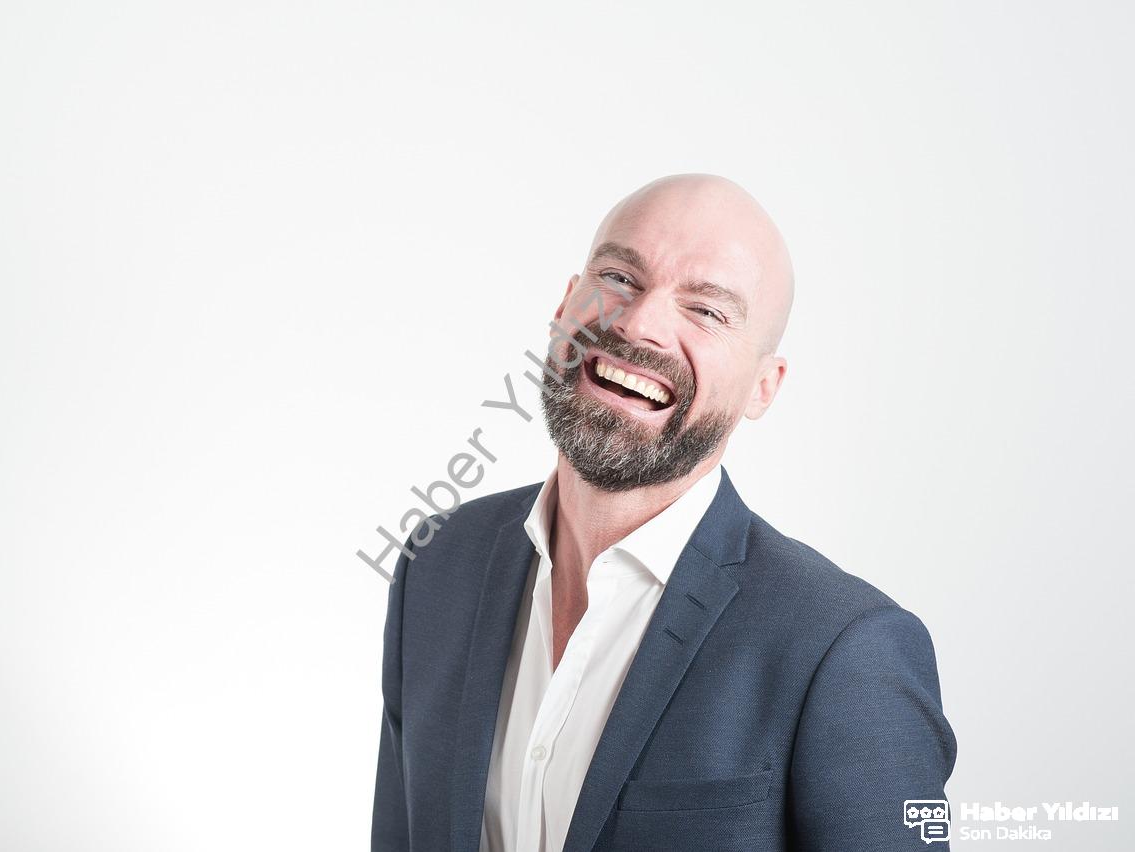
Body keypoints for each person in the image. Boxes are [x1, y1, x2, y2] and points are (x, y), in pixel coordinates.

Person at [371, 174, 957, 851]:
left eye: (706, 311)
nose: (638, 323)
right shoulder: (438, 563)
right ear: (566, 303)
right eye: (619, 277)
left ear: (763, 388)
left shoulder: (846, 650)